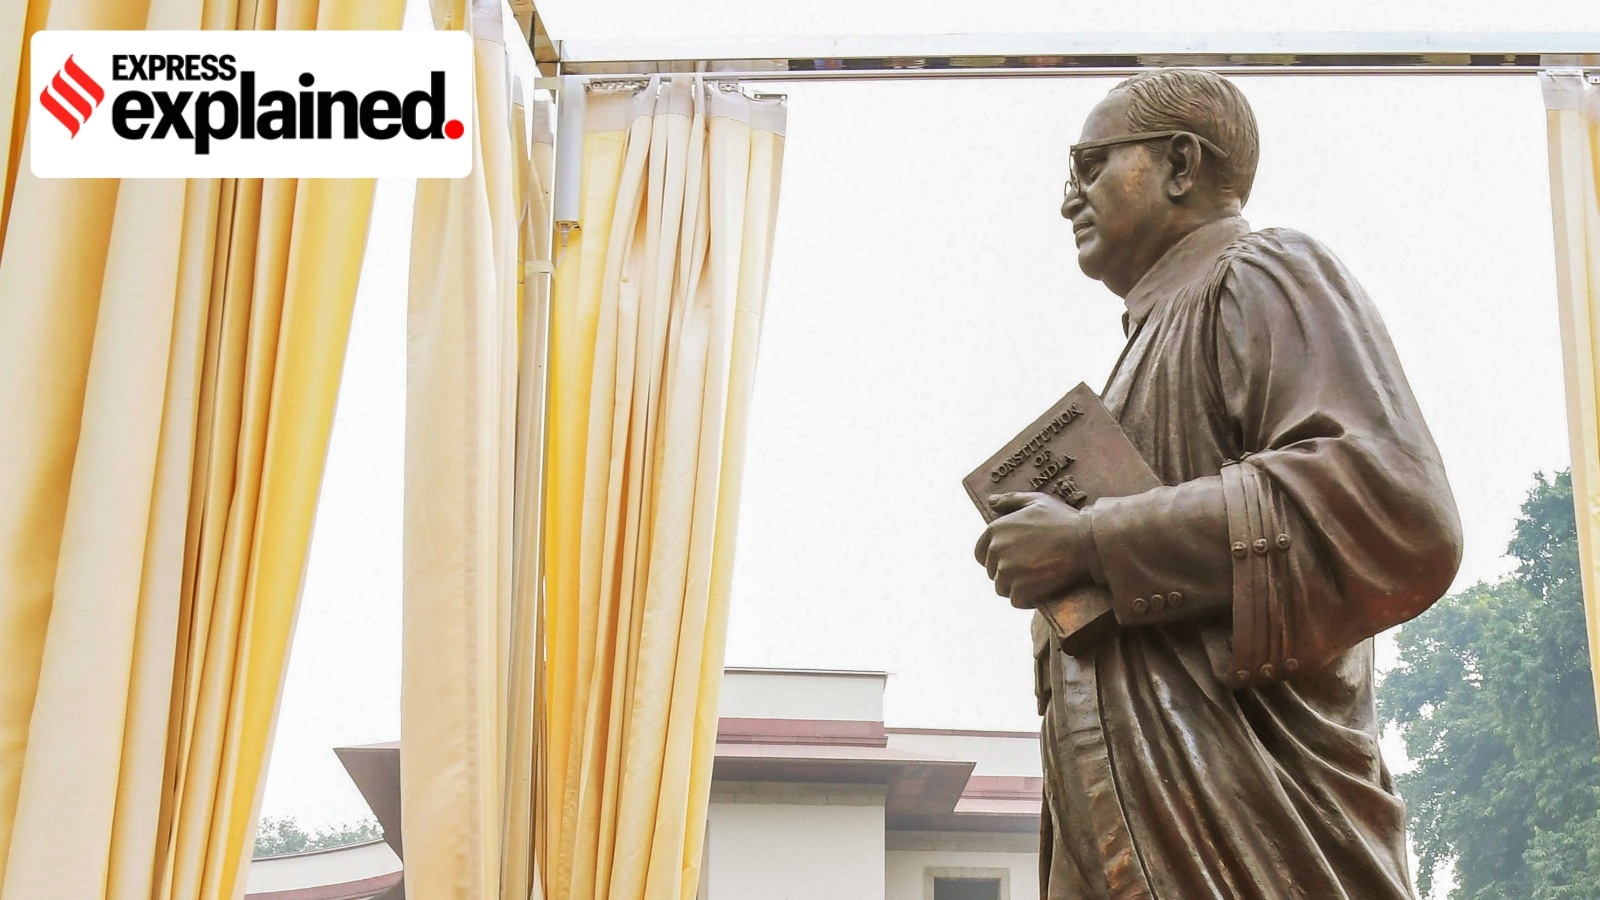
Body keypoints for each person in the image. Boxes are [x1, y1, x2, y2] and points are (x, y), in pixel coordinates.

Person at [973, 69, 1463, 899]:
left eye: (1090, 165)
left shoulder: (1264, 271)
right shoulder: (1146, 346)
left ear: (1179, 163)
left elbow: (1394, 507)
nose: (1070, 199)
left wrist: (1089, 540)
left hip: (1267, 825)